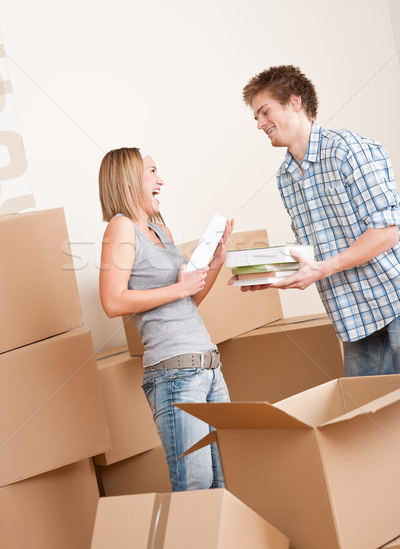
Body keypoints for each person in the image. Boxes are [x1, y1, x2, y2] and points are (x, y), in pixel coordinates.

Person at [240, 64, 400, 377]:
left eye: (264, 112)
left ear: (294, 102)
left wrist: (322, 270)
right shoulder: (285, 178)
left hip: (394, 301)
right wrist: (267, 272)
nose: (259, 124)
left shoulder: (347, 151)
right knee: (369, 422)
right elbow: (313, 250)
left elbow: (387, 233)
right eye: (256, 117)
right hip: (354, 320)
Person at [98, 147, 233, 492]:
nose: (161, 180)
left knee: (222, 484)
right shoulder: (121, 227)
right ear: (129, 182)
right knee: (195, 485)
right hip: (175, 374)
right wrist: (178, 288)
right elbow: (112, 302)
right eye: (152, 172)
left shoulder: (163, 232)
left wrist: (215, 262)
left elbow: (188, 300)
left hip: (209, 369)